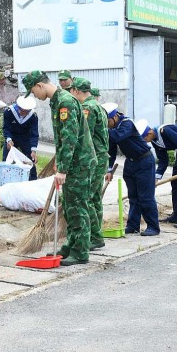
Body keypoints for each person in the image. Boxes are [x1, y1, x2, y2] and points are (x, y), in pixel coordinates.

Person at [23, 70, 96, 266]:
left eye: (33, 91)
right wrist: (60, 161)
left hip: (79, 164)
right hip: (73, 163)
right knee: (70, 207)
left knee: (78, 207)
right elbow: (63, 138)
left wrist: (63, 169)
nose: (35, 97)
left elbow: (70, 137)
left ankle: (80, 252)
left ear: (40, 85)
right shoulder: (57, 100)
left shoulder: (65, 102)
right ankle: (71, 245)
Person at [102, 104, 160, 236]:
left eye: (108, 122)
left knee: (145, 196)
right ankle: (133, 225)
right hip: (130, 162)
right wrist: (109, 170)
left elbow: (116, 136)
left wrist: (99, 129)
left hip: (144, 161)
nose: (107, 125)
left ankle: (153, 226)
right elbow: (111, 151)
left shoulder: (127, 124)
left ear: (115, 116)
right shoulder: (112, 129)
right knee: (133, 196)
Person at [70, 78, 109, 250]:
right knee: (94, 197)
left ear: (77, 91)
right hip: (102, 157)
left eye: (72, 91)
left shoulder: (87, 108)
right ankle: (97, 231)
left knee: (86, 197)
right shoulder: (99, 106)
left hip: (94, 158)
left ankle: (95, 236)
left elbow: (87, 136)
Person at [2, 95, 39, 181]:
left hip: (25, 138)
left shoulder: (33, 116)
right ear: (18, 107)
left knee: (30, 161)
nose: (23, 113)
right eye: (21, 110)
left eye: (26, 111)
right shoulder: (8, 111)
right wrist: (8, 139)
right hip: (12, 137)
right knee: (6, 159)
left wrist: (33, 150)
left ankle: (32, 181)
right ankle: (6, 179)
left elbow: (34, 133)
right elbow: (6, 128)